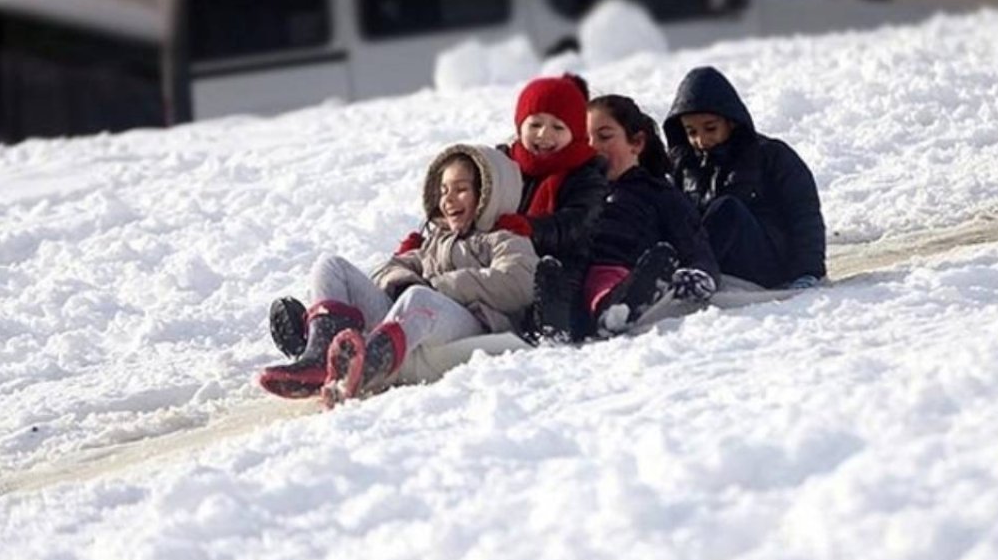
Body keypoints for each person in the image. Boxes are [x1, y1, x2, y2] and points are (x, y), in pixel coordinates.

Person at [259, 144, 538, 405]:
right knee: (330, 266)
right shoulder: (437, 242)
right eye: (443, 191)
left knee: (419, 297)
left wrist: (440, 286)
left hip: (474, 327)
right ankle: (319, 357)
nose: (449, 199)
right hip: (413, 329)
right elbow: (388, 270)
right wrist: (403, 283)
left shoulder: (506, 238)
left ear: (488, 194)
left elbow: (518, 282)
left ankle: (363, 369)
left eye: (461, 189)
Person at [662, 66, 827, 290]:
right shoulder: (683, 166)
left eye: (710, 128)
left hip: (767, 263)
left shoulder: (771, 155)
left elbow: (804, 215)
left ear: (730, 121)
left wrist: (808, 272)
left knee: (726, 209)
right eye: (691, 132)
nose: (701, 140)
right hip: (715, 261)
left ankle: (691, 274)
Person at [577, 94, 721, 335]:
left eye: (604, 136)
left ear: (636, 143)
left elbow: (694, 243)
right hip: (574, 278)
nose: (593, 146)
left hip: (621, 272)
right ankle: (552, 318)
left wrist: (700, 274)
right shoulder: (576, 193)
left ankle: (621, 307)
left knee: (617, 276)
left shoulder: (659, 193)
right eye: (585, 139)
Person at [501, 74, 609, 340]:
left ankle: (554, 322)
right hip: (504, 254)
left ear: (576, 133)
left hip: (563, 258)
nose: (544, 135)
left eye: (558, 127)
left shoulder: (585, 173)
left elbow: (578, 221)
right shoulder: (502, 164)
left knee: (558, 280)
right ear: (520, 125)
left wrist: (532, 228)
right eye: (535, 124)